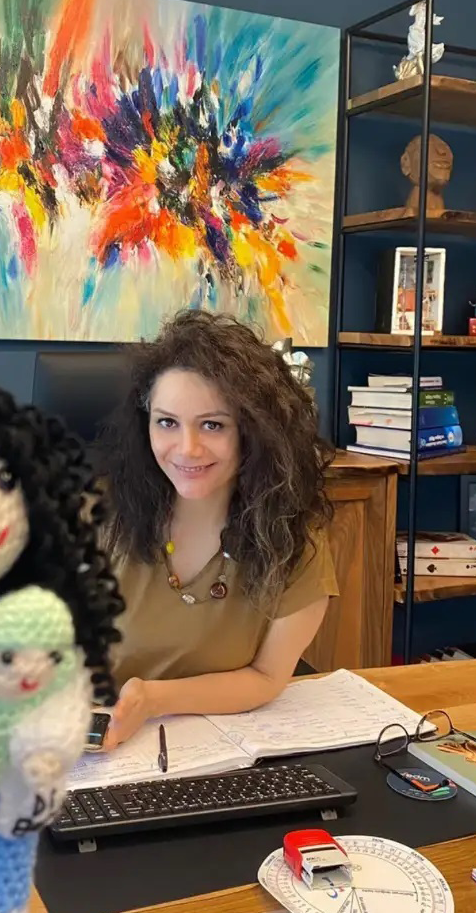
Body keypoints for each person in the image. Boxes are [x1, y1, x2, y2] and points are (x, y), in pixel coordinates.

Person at [98, 310, 339, 750]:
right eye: (167, 422)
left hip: (223, 751)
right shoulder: (98, 515)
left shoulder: (291, 538)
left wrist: (152, 700)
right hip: (98, 749)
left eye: (212, 425)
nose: (187, 449)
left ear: (253, 431)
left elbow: (267, 676)